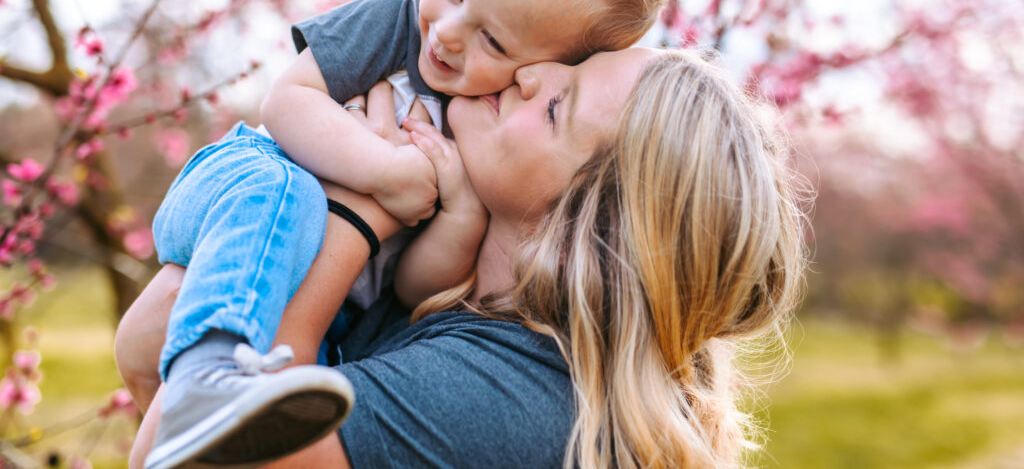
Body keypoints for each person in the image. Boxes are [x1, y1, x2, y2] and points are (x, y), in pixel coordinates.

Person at [119, 0, 679, 469]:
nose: (449, 31)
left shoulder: (475, 175)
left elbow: (415, 290)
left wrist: (453, 213)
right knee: (287, 195)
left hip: (305, 263)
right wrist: (383, 176)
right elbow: (285, 104)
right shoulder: (398, 21)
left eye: (493, 39)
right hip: (247, 182)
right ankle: (208, 374)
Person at [121, 47, 808, 469]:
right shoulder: (450, 290)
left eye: (556, 107)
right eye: (566, 64)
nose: (532, 70)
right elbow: (150, 342)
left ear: (584, 230)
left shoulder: (509, 399)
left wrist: (357, 210)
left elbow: (175, 455)